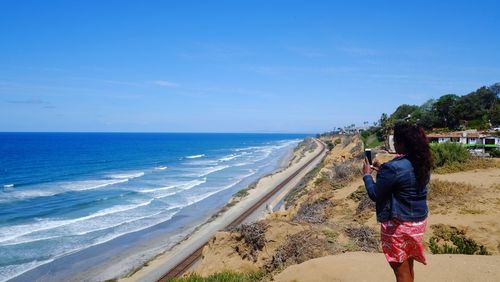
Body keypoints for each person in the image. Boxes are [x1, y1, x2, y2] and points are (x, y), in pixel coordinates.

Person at [362, 123, 431, 282]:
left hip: (399, 225)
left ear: (402, 143)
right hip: (417, 223)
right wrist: (383, 170)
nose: (394, 143)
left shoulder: (394, 167)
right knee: (408, 266)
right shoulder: (421, 162)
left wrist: (366, 175)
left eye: (396, 140)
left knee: (401, 273)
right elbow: (405, 181)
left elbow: (374, 194)